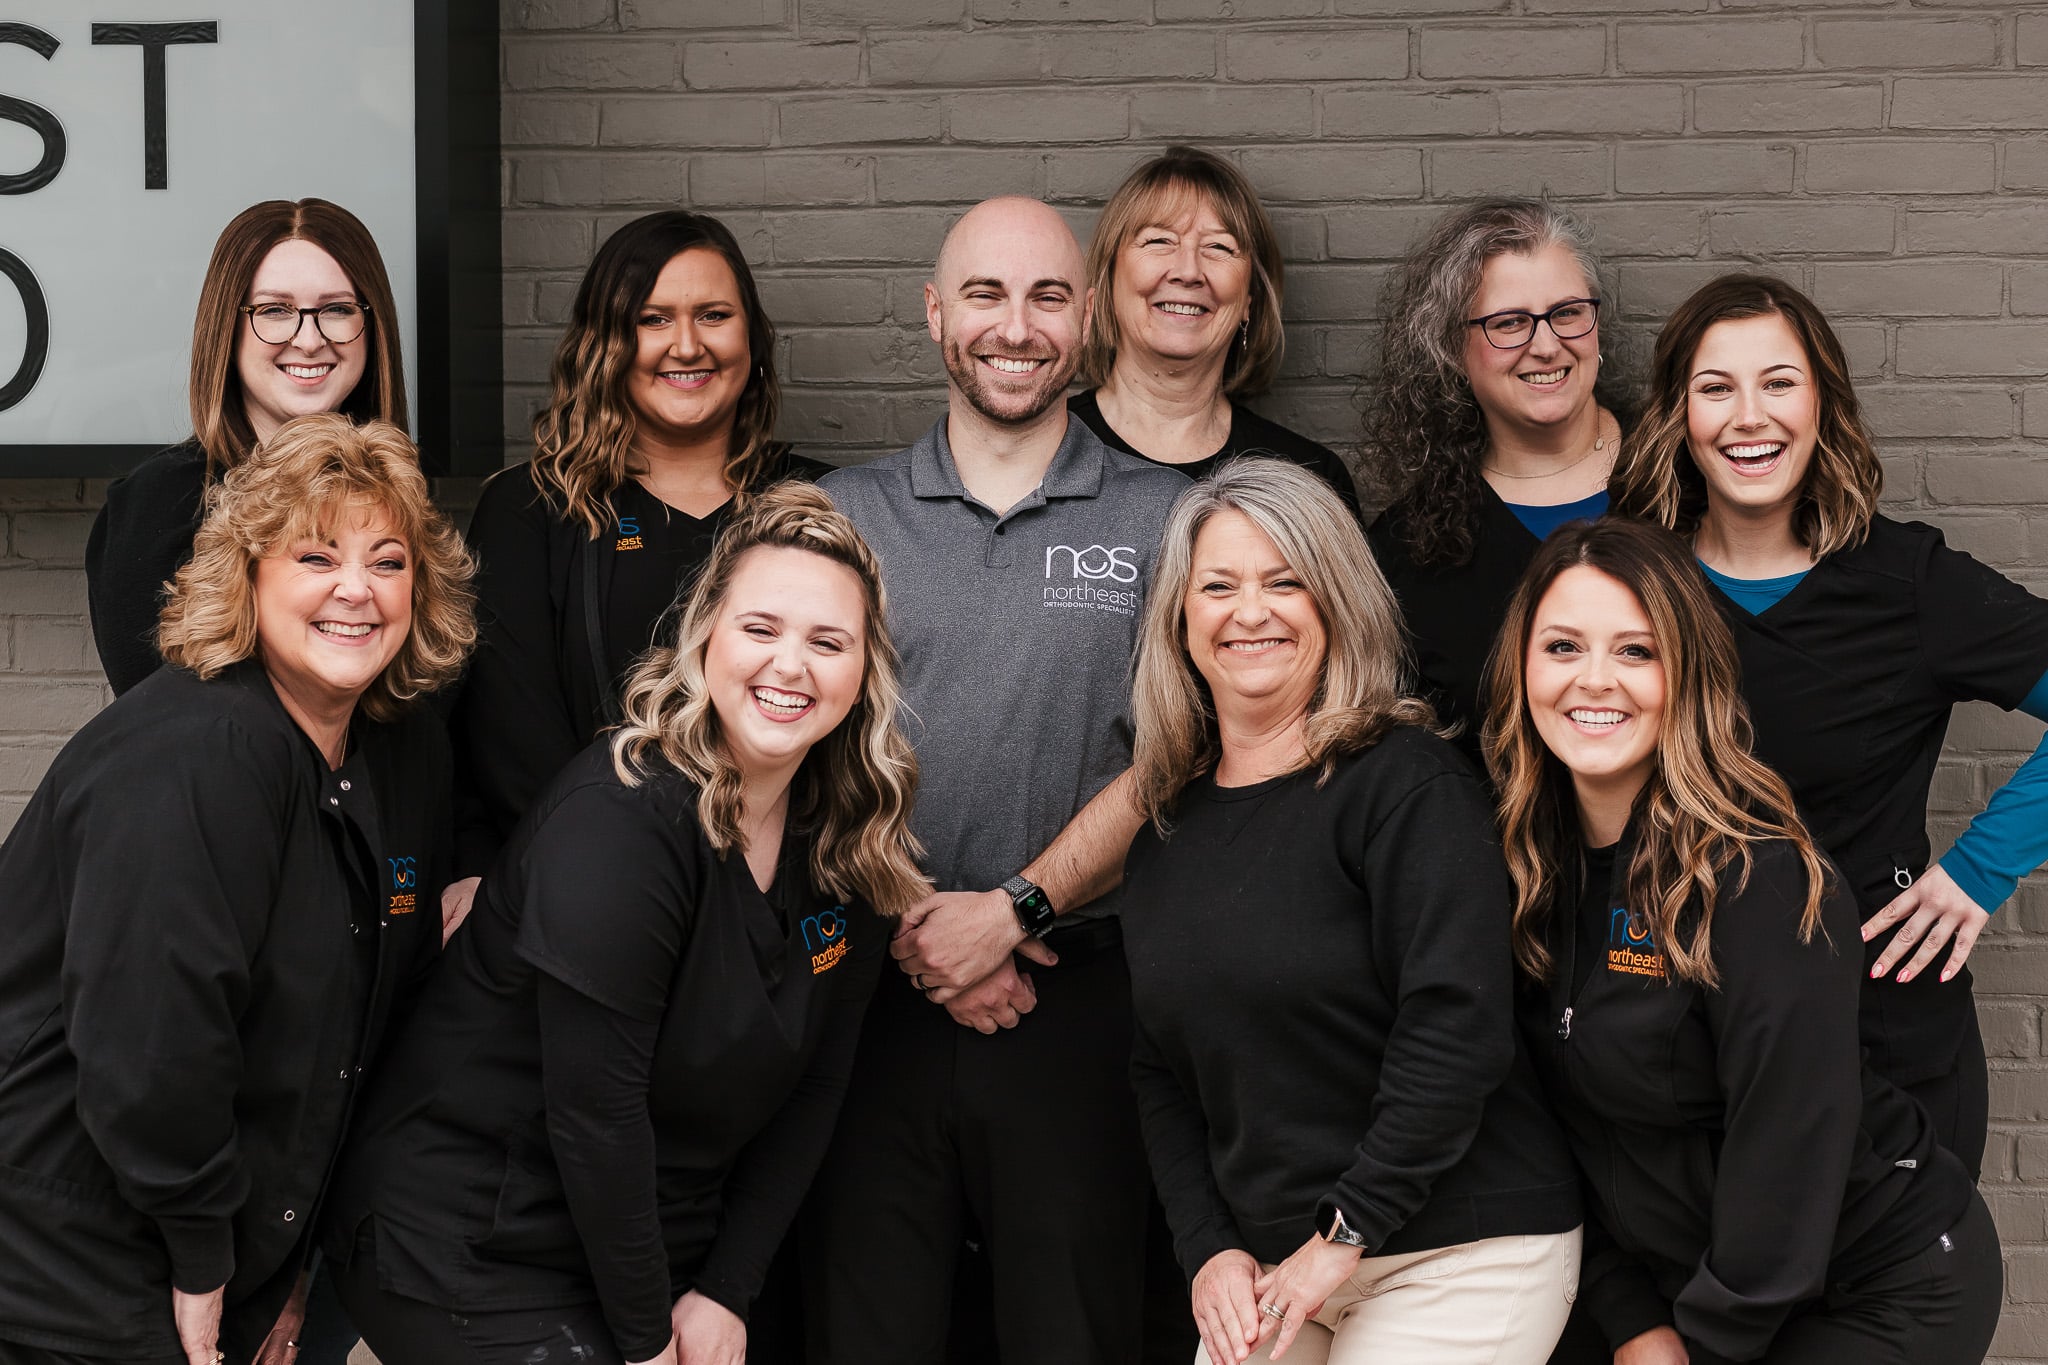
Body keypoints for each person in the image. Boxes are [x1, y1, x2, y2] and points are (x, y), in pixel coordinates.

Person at [320, 483, 926, 1365]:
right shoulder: (625, 815)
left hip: (640, 1244)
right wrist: (647, 1344)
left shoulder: (853, 842)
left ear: (864, 670)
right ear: (706, 633)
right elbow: (594, 1113)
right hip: (468, 1236)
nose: (790, 665)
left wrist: (726, 1288)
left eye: (827, 642)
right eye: (760, 629)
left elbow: (813, 1091)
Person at [803, 196, 1190, 1365]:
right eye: (983, 294)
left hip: (1079, 1001)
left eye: (1045, 295)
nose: (1013, 327)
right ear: (933, 315)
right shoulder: (838, 518)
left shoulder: (1166, 519)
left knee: (1069, 1335)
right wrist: (923, 931)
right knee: (866, 1332)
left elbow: (1176, 754)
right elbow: (791, 747)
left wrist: (1013, 909)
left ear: (1086, 321)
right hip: (870, 998)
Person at [0, 413, 474, 1365]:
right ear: (247, 574)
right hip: (67, 1250)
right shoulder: (200, 748)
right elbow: (151, 1047)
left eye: (387, 561)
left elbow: (355, 1041)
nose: (356, 589)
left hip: (206, 1240)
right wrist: (206, 1262)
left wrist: (284, 1264)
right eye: (315, 556)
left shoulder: (393, 747)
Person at [1486, 515, 2002, 1365]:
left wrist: (1701, 1341)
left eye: (1637, 651)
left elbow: (1790, 1149)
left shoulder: (1760, 879)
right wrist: (1631, 1316)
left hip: (1877, 1288)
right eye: (1564, 646)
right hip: (1695, 1293)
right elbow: (1563, 1127)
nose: (1595, 680)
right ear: (1523, 666)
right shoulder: (1528, 871)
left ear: (1686, 673)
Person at [1120, 460, 1581, 1365]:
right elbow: (1160, 1071)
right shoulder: (1165, 838)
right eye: (1219, 585)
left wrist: (1344, 1233)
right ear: (1181, 619)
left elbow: (1457, 1027)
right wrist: (1208, 1248)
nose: (1251, 611)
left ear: (1335, 604)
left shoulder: (1405, 783)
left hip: (1458, 1248)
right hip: (1278, 1258)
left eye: (1286, 581)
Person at [1608, 274, 2048, 1175]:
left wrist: (1979, 867)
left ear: (1822, 403)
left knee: (1896, 1309)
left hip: (1882, 1037)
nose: (1748, 416)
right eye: (1715, 387)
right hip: (1683, 1039)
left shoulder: (1910, 582)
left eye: (1779, 381)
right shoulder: (1630, 585)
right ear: (1679, 415)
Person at [453, 209, 827, 889]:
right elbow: (513, 749)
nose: (686, 345)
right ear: (606, 343)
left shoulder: (820, 503)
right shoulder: (530, 511)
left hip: (784, 897)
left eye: (713, 315)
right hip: (590, 890)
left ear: (753, 338)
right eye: (651, 319)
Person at [88, 198, 408, 696]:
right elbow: (159, 720)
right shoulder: (156, 504)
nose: (308, 339)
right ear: (228, 328)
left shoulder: (403, 494)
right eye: (275, 310)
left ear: (373, 324)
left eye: (338, 309)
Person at [1361, 198, 1635, 761]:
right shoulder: (1408, 548)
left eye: (1567, 312)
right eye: (1508, 323)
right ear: (1452, 352)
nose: (1545, 344)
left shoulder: (1684, 480)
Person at [1070, 146, 1359, 511]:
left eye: (1219, 247)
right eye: (1159, 241)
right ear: (1109, 278)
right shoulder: (1041, 452)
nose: (1188, 271)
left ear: (1249, 300)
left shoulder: (1309, 478)